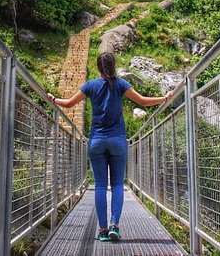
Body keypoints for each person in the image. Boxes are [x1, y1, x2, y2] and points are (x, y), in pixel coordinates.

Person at [47, 52, 171, 242]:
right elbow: (143, 101)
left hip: (96, 141)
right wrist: (164, 98)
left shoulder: (90, 85)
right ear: (113, 66)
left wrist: (54, 100)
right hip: (118, 141)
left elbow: (70, 103)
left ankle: (102, 230)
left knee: (100, 186)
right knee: (117, 185)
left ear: (98, 67)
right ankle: (115, 226)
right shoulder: (121, 84)